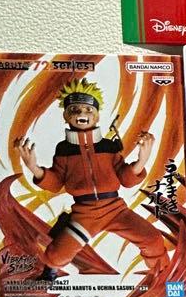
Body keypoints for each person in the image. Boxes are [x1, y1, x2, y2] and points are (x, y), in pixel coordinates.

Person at [13, 78, 168, 281]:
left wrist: (142, 161)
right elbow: (56, 182)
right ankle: (49, 275)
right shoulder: (64, 149)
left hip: (115, 209)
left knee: (153, 239)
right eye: (75, 109)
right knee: (56, 255)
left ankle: (164, 275)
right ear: (66, 116)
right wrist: (33, 167)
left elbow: (126, 179)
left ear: (97, 115)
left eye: (88, 109)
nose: (82, 114)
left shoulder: (108, 147)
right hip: (84, 214)